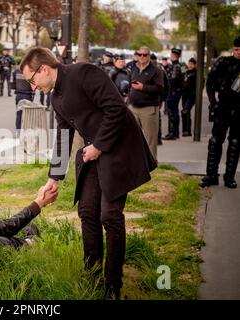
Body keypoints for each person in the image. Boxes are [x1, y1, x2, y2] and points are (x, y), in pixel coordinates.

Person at [20, 47, 157, 300]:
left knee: (110, 215)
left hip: (118, 147)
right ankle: (91, 274)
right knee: (87, 212)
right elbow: (63, 138)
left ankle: (112, 285)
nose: (32, 87)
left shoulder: (84, 73)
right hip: (93, 152)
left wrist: (98, 146)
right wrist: (53, 178)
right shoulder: (55, 98)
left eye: (32, 80)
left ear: (44, 69)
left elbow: (116, 108)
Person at [200, 37, 240, 189]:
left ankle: (229, 177)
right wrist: (213, 102)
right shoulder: (223, 62)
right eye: (236, 49)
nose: (238, 52)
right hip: (222, 106)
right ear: (233, 49)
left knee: (235, 143)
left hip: (239, 110)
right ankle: (211, 175)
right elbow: (210, 82)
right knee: (215, 141)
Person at [127, 47, 164, 161]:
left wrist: (143, 87)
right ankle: (135, 163)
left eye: (145, 55)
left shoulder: (156, 70)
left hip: (148, 108)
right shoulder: (133, 68)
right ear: (137, 55)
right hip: (133, 107)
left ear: (149, 56)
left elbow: (160, 88)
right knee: (132, 137)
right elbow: (130, 84)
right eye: (140, 54)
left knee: (150, 139)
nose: (142, 57)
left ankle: (151, 165)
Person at [163, 48, 185, 140]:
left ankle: (172, 132)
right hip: (178, 91)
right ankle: (175, 132)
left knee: (171, 112)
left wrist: (166, 82)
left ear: (173, 56)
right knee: (175, 111)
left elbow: (172, 80)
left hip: (173, 91)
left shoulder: (175, 66)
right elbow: (184, 77)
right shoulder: (182, 65)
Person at [12, 66, 34, 130]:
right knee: (28, 115)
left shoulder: (16, 71)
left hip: (18, 95)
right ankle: (26, 132)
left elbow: (12, 84)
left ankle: (18, 132)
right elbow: (34, 84)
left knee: (19, 114)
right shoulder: (31, 71)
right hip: (28, 95)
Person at [181, 57, 196, 137]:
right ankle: (186, 130)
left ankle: (187, 130)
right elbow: (182, 74)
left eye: (192, 64)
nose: (190, 65)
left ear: (195, 65)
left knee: (185, 111)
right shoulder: (186, 72)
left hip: (192, 95)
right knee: (185, 112)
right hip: (185, 95)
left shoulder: (196, 72)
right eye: (189, 64)